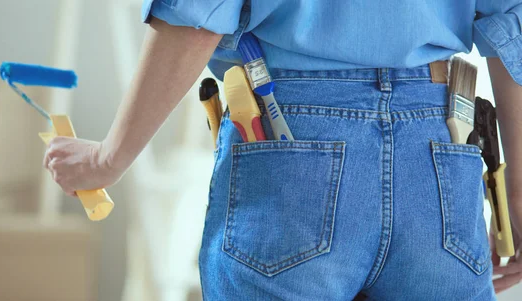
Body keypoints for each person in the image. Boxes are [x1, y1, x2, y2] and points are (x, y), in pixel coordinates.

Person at [42, 1, 522, 299]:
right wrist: (517, 199)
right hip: (438, 143)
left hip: (292, 141)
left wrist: (108, 158)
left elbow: (196, 15)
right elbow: (511, 26)